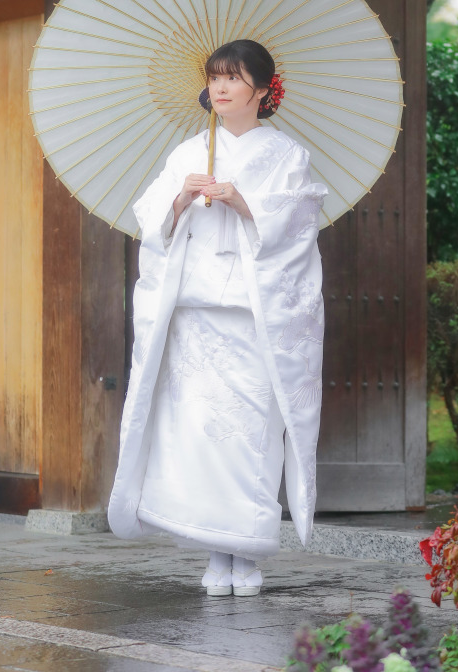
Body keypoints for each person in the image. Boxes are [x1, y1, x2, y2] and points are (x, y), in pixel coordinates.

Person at [108, 39, 327, 596]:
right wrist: (181, 199)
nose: (220, 88)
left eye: (232, 78)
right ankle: (214, 551)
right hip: (196, 315)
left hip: (251, 316)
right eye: (214, 78)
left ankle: (247, 554)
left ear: (262, 89)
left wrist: (246, 202)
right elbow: (149, 221)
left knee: (249, 433)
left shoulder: (286, 156)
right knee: (199, 436)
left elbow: (300, 223)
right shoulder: (187, 153)